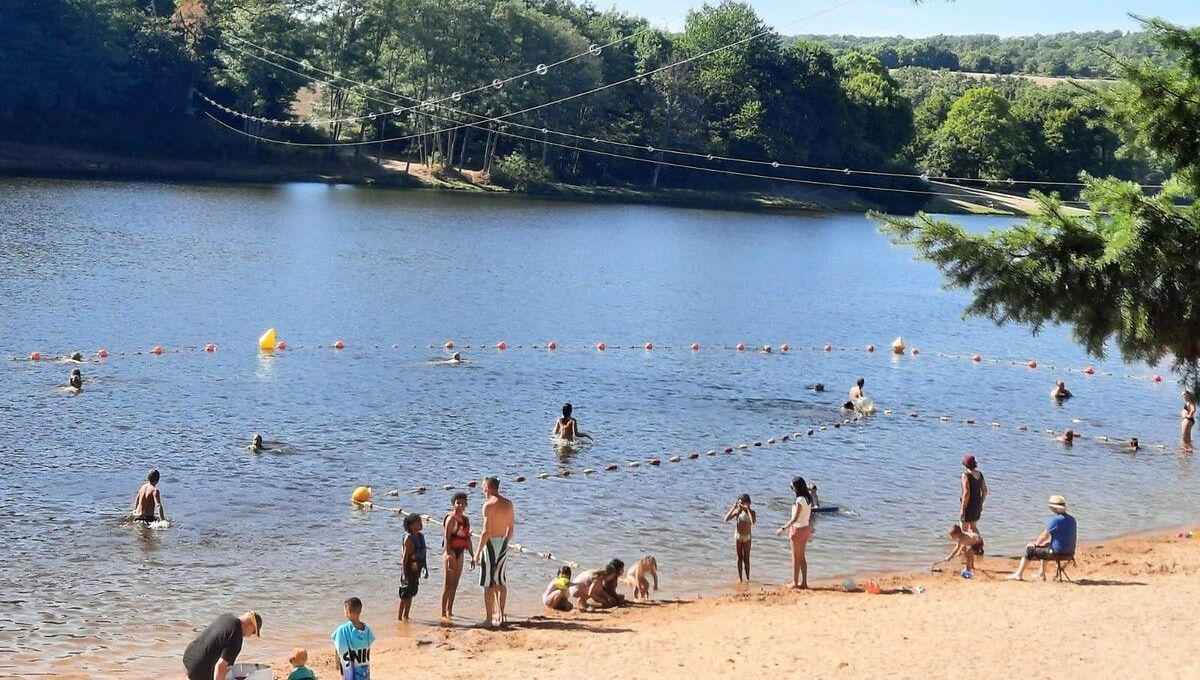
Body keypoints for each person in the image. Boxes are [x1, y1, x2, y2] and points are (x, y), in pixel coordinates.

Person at [1007, 494, 1078, 581]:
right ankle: (1041, 574)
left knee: (1029, 550)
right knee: (1046, 545)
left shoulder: (1056, 520)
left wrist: (1035, 544)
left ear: (1054, 508)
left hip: (1057, 553)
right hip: (1070, 553)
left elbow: (1044, 535)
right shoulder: (1072, 519)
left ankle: (1018, 574)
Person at [475, 476, 514, 628]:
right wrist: (504, 542)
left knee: (488, 584)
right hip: (503, 543)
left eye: (484, 488)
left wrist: (478, 553)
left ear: (489, 488)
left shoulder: (488, 505)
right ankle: (501, 616)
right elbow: (510, 528)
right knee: (500, 581)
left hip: (490, 544)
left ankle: (489, 619)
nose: (483, 491)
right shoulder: (508, 504)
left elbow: (486, 531)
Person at [182, 611, 261, 680]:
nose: (250, 635)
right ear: (250, 624)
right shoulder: (236, 636)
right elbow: (221, 666)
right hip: (198, 669)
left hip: (188, 657)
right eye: (253, 632)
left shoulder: (227, 617)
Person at [440, 492, 473, 625]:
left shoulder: (466, 520)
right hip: (451, 552)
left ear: (466, 505)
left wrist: (472, 555)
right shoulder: (450, 519)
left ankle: (450, 610)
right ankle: (443, 613)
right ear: (453, 504)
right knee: (447, 584)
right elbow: (446, 537)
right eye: (457, 503)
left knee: (455, 584)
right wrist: (448, 555)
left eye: (462, 503)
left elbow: (468, 539)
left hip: (461, 552)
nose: (460, 505)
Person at [777, 476, 814, 589]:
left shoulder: (799, 501)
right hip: (806, 528)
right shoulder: (808, 498)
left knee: (795, 557)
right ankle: (804, 582)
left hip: (797, 530)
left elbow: (794, 518)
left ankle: (795, 582)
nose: (791, 488)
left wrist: (783, 528)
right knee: (802, 557)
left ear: (796, 488)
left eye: (792, 486)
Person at [332, 597, 375, 680]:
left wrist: (337, 662)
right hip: (364, 668)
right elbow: (369, 644)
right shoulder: (367, 630)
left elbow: (338, 647)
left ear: (348, 612)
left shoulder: (343, 629)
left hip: (349, 668)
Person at [397, 513, 428, 621]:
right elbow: (405, 557)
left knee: (411, 593)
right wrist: (404, 573)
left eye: (420, 521)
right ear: (411, 526)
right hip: (408, 568)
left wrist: (425, 569)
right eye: (418, 522)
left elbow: (423, 554)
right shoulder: (408, 539)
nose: (420, 524)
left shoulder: (420, 536)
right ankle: (399, 618)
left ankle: (406, 616)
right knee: (404, 594)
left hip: (417, 568)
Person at [723, 494, 757, 581]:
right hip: (738, 536)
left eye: (743, 503)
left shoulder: (752, 512)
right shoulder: (738, 512)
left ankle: (748, 577)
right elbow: (726, 519)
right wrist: (734, 508)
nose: (742, 505)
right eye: (740, 503)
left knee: (746, 558)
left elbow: (752, 522)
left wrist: (747, 509)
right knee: (739, 558)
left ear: (748, 503)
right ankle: (740, 578)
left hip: (747, 537)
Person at [959, 454, 987, 537]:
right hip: (977, 503)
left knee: (963, 527)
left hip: (969, 504)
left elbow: (966, 493)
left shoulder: (966, 475)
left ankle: (963, 548)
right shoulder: (980, 475)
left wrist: (962, 509)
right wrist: (981, 502)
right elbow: (985, 490)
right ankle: (978, 545)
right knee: (973, 527)